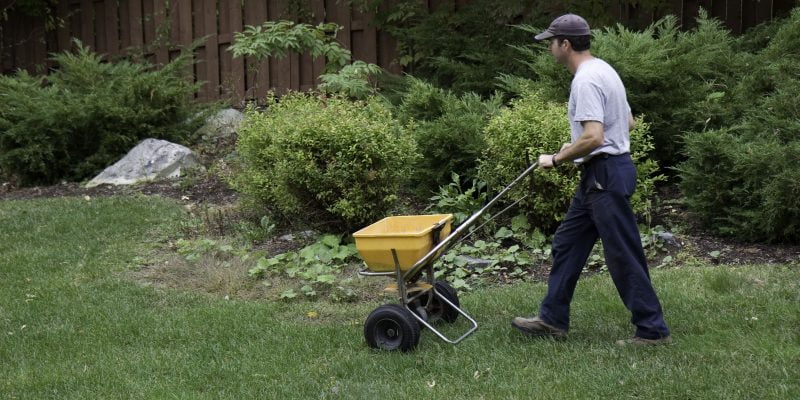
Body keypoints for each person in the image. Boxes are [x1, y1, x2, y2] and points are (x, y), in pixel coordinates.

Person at [511, 14, 672, 346]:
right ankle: (553, 319)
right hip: (602, 173)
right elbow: (627, 122)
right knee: (568, 243)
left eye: (551, 42)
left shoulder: (584, 80)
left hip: (605, 175)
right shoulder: (605, 70)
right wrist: (579, 147)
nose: (548, 48)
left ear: (565, 44)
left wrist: (557, 158)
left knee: (622, 254)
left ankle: (652, 330)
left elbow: (595, 136)